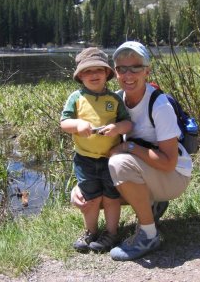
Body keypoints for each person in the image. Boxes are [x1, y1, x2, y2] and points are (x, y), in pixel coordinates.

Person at [71, 41, 192, 261]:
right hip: (148, 171)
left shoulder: (159, 104)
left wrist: (129, 146)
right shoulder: (116, 100)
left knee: (119, 164)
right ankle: (152, 204)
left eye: (135, 67)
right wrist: (79, 186)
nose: (128, 74)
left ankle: (148, 235)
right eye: (121, 68)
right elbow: (101, 151)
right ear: (115, 72)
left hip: (173, 176)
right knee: (88, 192)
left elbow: (168, 163)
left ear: (147, 70)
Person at [60, 47, 132, 253]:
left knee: (111, 197)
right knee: (90, 198)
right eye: (87, 71)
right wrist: (77, 125)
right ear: (80, 75)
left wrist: (117, 128)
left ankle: (111, 233)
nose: (93, 75)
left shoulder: (114, 99)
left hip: (111, 159)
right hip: (85, 160)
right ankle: (91, 231)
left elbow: (128, 124)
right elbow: (64, 123)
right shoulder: (76, 97)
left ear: (107, 74)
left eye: (98, 70)